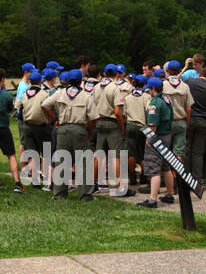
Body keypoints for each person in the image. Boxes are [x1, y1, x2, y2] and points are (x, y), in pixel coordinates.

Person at [41, 68, 96, 200]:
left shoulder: (60, 93)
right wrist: (88, 132)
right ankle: (85, 194)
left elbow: (44, 105)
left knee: (62, 160)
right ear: (81, 80)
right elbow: (93, 118)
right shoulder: (86, 96)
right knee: (83, 162)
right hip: (80, 129)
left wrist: (55, 118)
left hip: (63, 129)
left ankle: (59, 194)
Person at [93, 63, 131, 196]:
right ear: (116, 74)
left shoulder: (96, 87)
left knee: (99, 154)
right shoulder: (115, 88)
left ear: (104, 73)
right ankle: (119, 186)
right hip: (112, 123)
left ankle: (93, 185)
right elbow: (117, 112)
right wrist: (122, 128)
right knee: (116, 155)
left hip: (99, 121)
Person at [136, 77, 174, 208]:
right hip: (167, 135)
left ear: (153, 89)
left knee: (154, 169)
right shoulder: (167, 99)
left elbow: (152, 126)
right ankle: (169, 194)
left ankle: (152, 200)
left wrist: (149, 139)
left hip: (157, 137)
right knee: (165, 167)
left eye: (149, 89)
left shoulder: (155, 103)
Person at [159, 60, 194, 199]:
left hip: (166, 123)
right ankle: (178, 180)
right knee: (178, 153)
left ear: (167, 71)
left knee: (165, 153)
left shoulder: (162, 85)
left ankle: (169, 183)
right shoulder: (185, 86)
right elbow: (189, 108)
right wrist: (187, 122)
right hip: (181, 121)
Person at [20, 68, 57, 187]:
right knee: (46, 153)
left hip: (28, 126)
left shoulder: (25, 94)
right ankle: (46, 180)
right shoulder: (44, 94)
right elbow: (48, 109)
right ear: (40, 82)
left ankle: (35, 180)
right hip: (42, 127)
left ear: (30, 81)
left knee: (32, 153)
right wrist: (54, 119)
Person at [184, 63, 206, 183]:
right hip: (203, 120)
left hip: (189, 117)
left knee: (187, 149)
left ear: (199, 74)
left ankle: (186, 175)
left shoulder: (189, 82)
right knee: (198, 151)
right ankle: (198, 177)